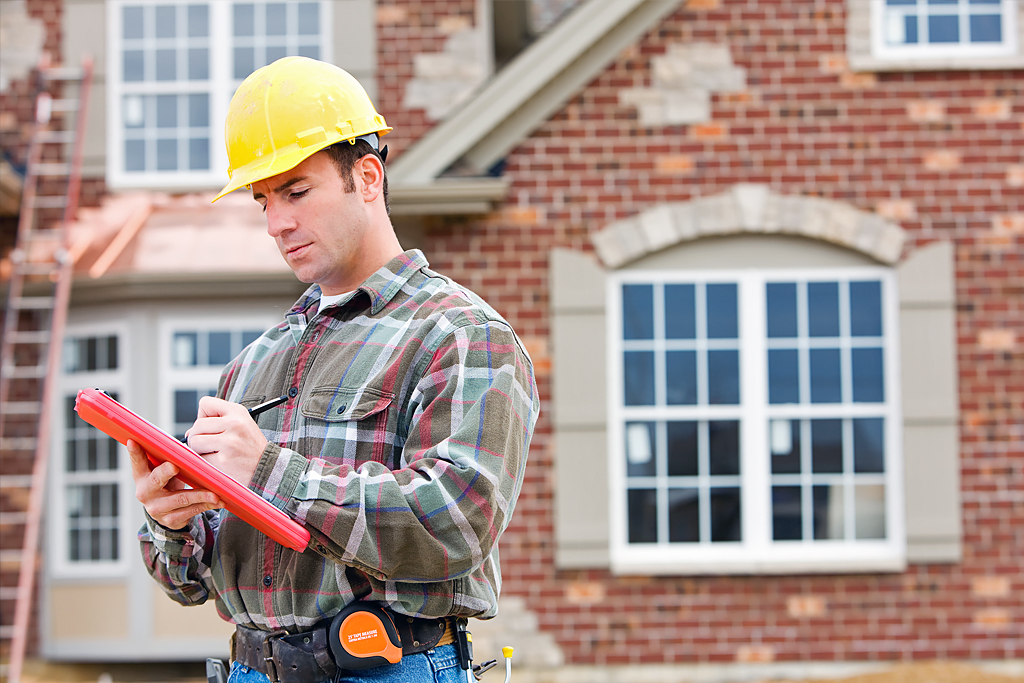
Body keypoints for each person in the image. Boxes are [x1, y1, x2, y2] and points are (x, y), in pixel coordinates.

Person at [127, 56, 539, 683]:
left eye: (296, 191)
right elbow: (194, 586)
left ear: (367, 177)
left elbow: (457, 519)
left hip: (387, 666)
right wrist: (171, 522)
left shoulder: (461, 335)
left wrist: (269, 472)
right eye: (263, 199)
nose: (276, 223)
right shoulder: (252, 365)